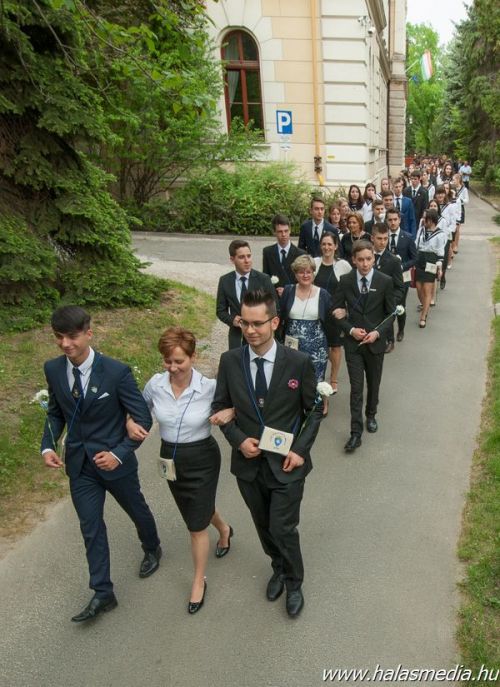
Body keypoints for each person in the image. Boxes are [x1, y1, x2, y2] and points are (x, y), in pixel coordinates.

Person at [40, 305, 161, 623]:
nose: (65, 344)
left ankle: (152, 546)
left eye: (72, 336)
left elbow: (143, 418)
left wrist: (119, 452)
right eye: (59, 337)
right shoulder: (53, 369)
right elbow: (55, 412)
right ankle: (103, 592)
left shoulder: (116, 372)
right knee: (91, 528)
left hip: (115, 464)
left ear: (89, 334)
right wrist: (47, 445)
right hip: (80, 466)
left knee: (137, 509)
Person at [212, 289, 324, 618]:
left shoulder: (298, 363)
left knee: (282, 527)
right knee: (262, 524)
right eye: (245, 323)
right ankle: (277, 566)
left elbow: (313, 411)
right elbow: (220, 408)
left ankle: (294, 581)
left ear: (274, 322)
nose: (250, 330)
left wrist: (300, 450)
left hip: (286, 464)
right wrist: (237, 440)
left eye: (258, 323)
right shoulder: (230, 361)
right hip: (248, 466)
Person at [127, 327, 233, 614]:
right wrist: (129, 422)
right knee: (195, 508)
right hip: (170, 458)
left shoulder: (209, 387)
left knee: (195, 525)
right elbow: (138, 409)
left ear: (193, 357)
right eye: (167, 361)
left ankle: (198, 581)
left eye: (179, 361)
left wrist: (231, 411)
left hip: (202, 458)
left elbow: (235, 405)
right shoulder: (155, 384)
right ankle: (224, 529)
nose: (172, 368)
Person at [331, 241, 395, 453]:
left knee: (374, 383)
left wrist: (377, 333)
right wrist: (350, 330)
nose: (365, 264)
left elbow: (391, 314)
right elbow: (335, 310)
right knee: (356, 388)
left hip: (375, 343)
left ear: (374, 259)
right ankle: (355, 433)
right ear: (354, 260)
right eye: (361, 260)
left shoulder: (385, 281)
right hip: (354, 345)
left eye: (368, 259)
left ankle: (371, 414)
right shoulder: (346, 281)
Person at [279, 255, 332, 400]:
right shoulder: (288, 291)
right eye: (301, 272)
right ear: (295, 274)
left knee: (315, 382)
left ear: (313, 273)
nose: (305, 275)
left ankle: (318, 406)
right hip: (291, 348)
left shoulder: (323, 294)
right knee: (292, 381)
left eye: (309, 272)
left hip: (317, 348)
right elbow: (280, 315)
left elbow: (330, 321)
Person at [216, 239, 275, 349]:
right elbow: (220, 310)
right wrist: (232, 320)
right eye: (241, 257)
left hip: (259, 336)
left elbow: (275, 309)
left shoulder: (263, 279)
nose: (247, 261)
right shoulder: (225, 281)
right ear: (232, 259)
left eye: (249, 256)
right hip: (236, 337)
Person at [313, 232, 352, 394]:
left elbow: (351, 288)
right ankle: (318, 377)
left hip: (335, 314)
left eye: (330, 244)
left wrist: (346, 310)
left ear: (336, 246)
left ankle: (333, 378)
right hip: (316, 313)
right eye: (324, 244)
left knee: (335, 347)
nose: (326, 247)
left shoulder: (343, 265)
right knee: (319, 346)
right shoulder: (314, 263)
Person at [371, 223, 405, 354]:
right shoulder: (366, 256)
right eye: (379, 238)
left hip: (385, 302)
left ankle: (390, 341)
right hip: (368, 301)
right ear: (372, 238)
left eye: (385, 238)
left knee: (386, 322)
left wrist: (391, 302)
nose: (382, 242)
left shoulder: (394, 261)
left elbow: (399, 287)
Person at [385, 207, 417, 345]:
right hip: (386, 278)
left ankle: (401, 329)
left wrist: (402, 266)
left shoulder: (407, 237)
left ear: (399, 220)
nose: (392, 222)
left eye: (395, 219)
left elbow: (415, 258)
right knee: (386, 306)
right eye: (390, 220)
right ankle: (389, 337)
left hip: (403, 277)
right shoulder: (382, 237)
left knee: (400, 305)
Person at [414, 209, 446, 328]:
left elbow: (440, 251)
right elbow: (416, 244)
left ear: (431, 220)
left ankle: (423, 316)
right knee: (418, 288)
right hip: (420, 260)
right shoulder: (421, 230)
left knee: (427, 289)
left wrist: (439, 268)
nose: (423, 220)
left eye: (425, 218)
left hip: (431, 261)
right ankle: (425, 306)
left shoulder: (440, 234)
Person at [262, 214, 305, 297]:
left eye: (286, 231)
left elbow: (304, 281)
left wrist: (288, 291)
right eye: (280, 231)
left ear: (290, 230)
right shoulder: (268, 252)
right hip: (274, 298)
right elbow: (266, 279)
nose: (284, 234)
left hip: (295, 297)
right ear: (274, 232)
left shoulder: (301, 254)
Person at [452, 173, 469, 254]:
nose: (453, 181)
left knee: (457, 228)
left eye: (454, 180)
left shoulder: (464, 189)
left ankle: (456, 245)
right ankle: (451, 245)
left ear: (458, 180)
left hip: (460, 209)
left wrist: (460, 200)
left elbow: (467, 200)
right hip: (452, 208)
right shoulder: (452, 188)